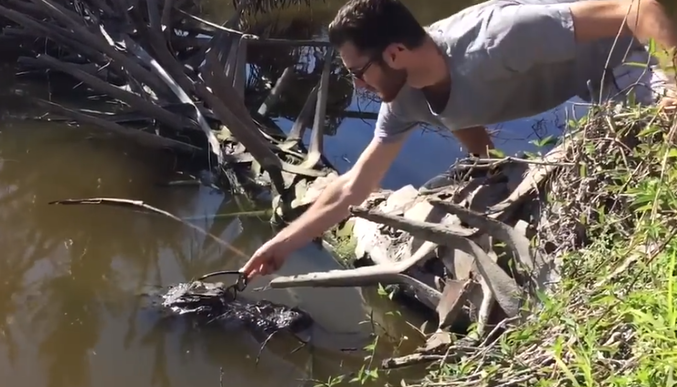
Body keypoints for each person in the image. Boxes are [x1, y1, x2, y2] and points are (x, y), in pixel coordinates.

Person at [241, 0, 677, 280]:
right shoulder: (407, 98)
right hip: (595, 89)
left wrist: (673, 86)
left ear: (394, 54)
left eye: (358, 72)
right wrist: (282, 243)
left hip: (631, 59)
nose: (358, 87)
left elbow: (639, 10)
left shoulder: (497, 36)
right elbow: (353, 186)